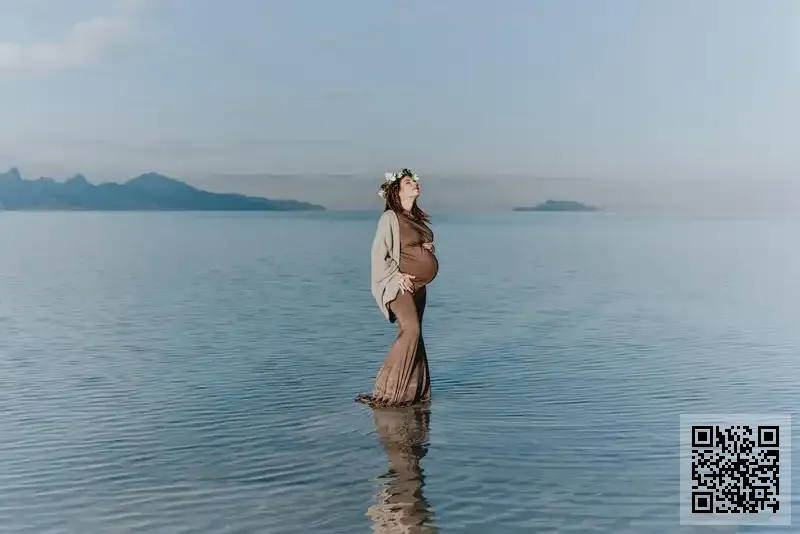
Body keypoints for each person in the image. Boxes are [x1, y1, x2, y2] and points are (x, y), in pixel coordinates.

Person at [356, 168, 438, 407]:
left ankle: (413, 392)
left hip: (419, 286)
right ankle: (386, 391)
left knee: (416, 337)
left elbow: (411, 247)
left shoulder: (415, 219)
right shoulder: (390, 218)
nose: (415, 184)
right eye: (408, 182)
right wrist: (396, 276)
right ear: (397, 191)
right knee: (411, 330)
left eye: (414, 181)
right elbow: (378, 256)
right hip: (399, 285)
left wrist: (428, 249)